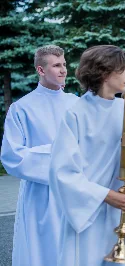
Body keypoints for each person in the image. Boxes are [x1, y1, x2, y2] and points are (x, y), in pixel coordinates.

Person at [48, 45, 125, 266]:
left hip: (118, 212)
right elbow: (63, 173)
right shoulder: (76, 113)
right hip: (87, 213)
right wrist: (106, 196)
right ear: (105, 72)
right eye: (123, 69)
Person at [1, 45, 79, 266]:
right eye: (56, 65)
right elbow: (13, 157)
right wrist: (60, 155)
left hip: (74, 192)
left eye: (64, 64)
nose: (63, 70)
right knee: (42, 254)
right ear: (41, 70)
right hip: (40, 196)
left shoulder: (76, 104)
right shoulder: (21, 108)